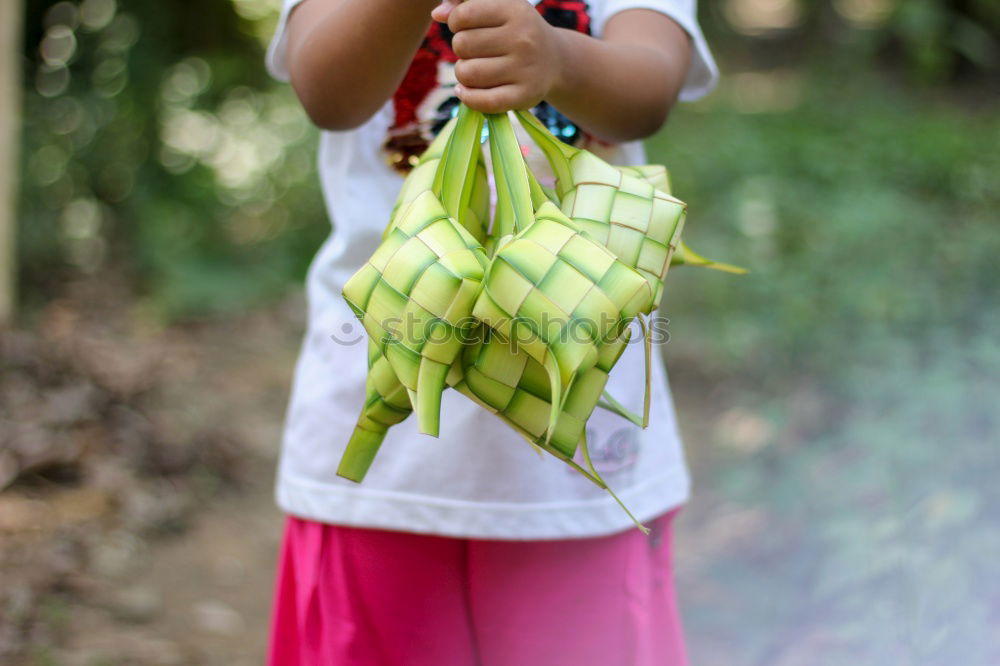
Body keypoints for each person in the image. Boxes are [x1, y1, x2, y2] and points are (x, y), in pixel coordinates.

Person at [264, 0, 717, 663]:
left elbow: (646, 89)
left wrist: (557, 56)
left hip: (577, 449)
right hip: (383, 456)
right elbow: (328, 92)